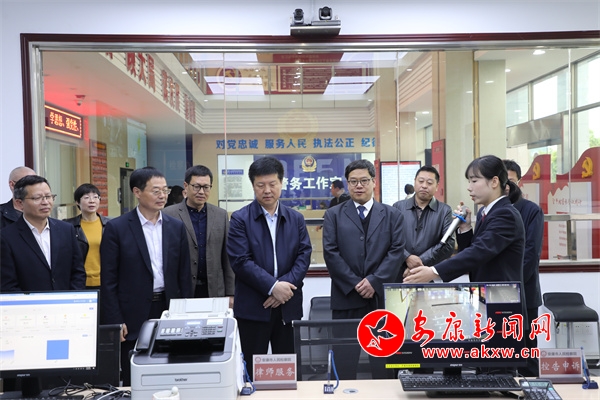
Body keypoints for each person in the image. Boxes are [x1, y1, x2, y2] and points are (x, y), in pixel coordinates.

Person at [100, 167, 192, 386]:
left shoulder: (176, 227)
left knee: (171, 372)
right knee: (136, 375)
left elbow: (184, 275)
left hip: (168, 308)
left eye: (165, 190)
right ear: (137, 192)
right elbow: (109, 280)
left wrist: (184, 312)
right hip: (132, 313)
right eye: (155, 191)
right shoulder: (117, 228)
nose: (162, 196)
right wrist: (115, 320)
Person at [227, 156, 312, 379]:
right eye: (260, 185)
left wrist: (284, 288)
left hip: (288, 306)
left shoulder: (295, 218)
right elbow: (240, 261)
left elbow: (304, 256)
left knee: (289, 371)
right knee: (251, 372)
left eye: (272, 184)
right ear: (253, 185)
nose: (267, 190)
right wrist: (273, 287)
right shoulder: (240, 219)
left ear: (281, 183)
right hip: (254, 308)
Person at [323, 159, 406, 379]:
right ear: (347, 184)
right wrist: (355, 283)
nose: (359, 186)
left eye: (364, 181)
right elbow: (330, 253)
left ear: (374, 182)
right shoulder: (333, 215)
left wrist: (374, 281)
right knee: (344, 362)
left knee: (383, 364)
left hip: (380, 299)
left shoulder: (392, 215)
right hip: (346, 297)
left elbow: (396, 252)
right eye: (353, 181)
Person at [404, 154, 525, 285]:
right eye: (469, 182)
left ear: (494, 182)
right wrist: (465, 228)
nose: (469, 187)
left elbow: (479, 252)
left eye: (474, 181)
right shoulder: (485, 213)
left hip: (502, 295)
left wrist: (434, 271)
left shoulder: (506, 214)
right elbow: (472, 252)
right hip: (485, 292)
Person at [163, 165, 234, 305]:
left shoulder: (220, 215)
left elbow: (227, 256)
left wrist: (231, 293)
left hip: (214, 289)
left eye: (206, 187)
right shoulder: (169, 214)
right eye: (196, 187)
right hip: (181, 290)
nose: (201, 192)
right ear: (186, 186)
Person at [1, 175, 86, 292]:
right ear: (20, 203)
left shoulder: (66, 230)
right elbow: (7, 284)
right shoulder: (6, 237)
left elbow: (78, 272)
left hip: (66, 301)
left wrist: (72, 298)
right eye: (37, 198)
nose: (45, 202)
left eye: (48, 196)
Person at [504, 159, 544, 377]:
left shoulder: (531, 210)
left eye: (511, 181)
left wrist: (513, 287)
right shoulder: (488, 211)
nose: (507, 186)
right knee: (499, 352)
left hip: (525, 292)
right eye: (503, 180)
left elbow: (531, 254)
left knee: (527, 353)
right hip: (497, 294)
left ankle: (531, 388)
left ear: (519, 182)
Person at [393, 166, 455, 281]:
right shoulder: (398, 207)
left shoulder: (444, 210)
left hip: (428, 274)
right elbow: (389, 238)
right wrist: (407, 257)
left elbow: (448, 245)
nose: (424, 186)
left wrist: (418, 263)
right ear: (414, 182)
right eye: (420, 181)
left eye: (429, 183)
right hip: (399, 273)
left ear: (437, 186)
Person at [64, 183, 110, 289]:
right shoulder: (68, 226)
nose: (92, 201)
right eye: (86, 197)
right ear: (77, 202)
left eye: (95, 197)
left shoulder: (110, 225)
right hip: (79, 282)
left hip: (105, 282)